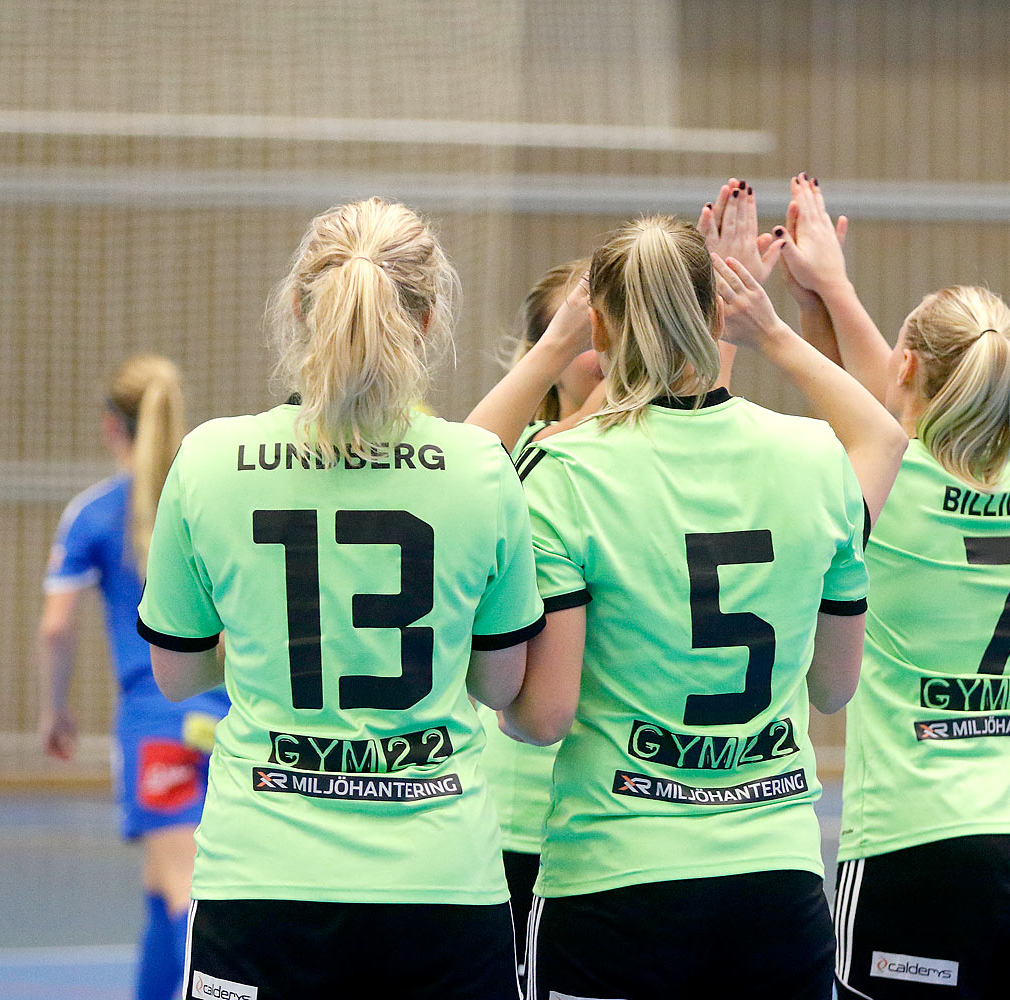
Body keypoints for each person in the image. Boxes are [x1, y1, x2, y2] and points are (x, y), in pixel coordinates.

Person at [478, 213, 905, 1000]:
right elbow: (835, 687)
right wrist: (776, 332)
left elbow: (544, 718)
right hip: (775, 882)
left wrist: (495, 692)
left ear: (597, 330)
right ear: (719, 314)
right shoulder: (814, 458)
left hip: (616, 880)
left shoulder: (566, 470)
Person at [135, 197, 546, 999]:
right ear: (428, 323)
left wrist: (271, 639)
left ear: (297, 308)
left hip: (263, 881)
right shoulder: (480, 467)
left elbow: (177, 676)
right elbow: (501, 687)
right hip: (441, 883)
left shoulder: (210, 459)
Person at [777, 174, 1010, 1000]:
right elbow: (884, 409)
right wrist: (831, 288)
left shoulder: (892, 489)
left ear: (909, 365)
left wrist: (807, 303)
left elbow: (864, 424)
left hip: (924, 849)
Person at [39, 355, 228, 1000]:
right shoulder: (207, 503)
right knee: (163, 888)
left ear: (108, 426)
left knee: (183, 893)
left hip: (157, 722)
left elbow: (55, 628)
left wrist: (54, 711)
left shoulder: (95, 513)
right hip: (228, 719)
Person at [471, 257, 602, 982]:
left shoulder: (643, 463)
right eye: (588, 332)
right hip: (525, 811)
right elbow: (463, 465)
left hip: (622, 816)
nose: (609, 353)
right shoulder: (520, 459)